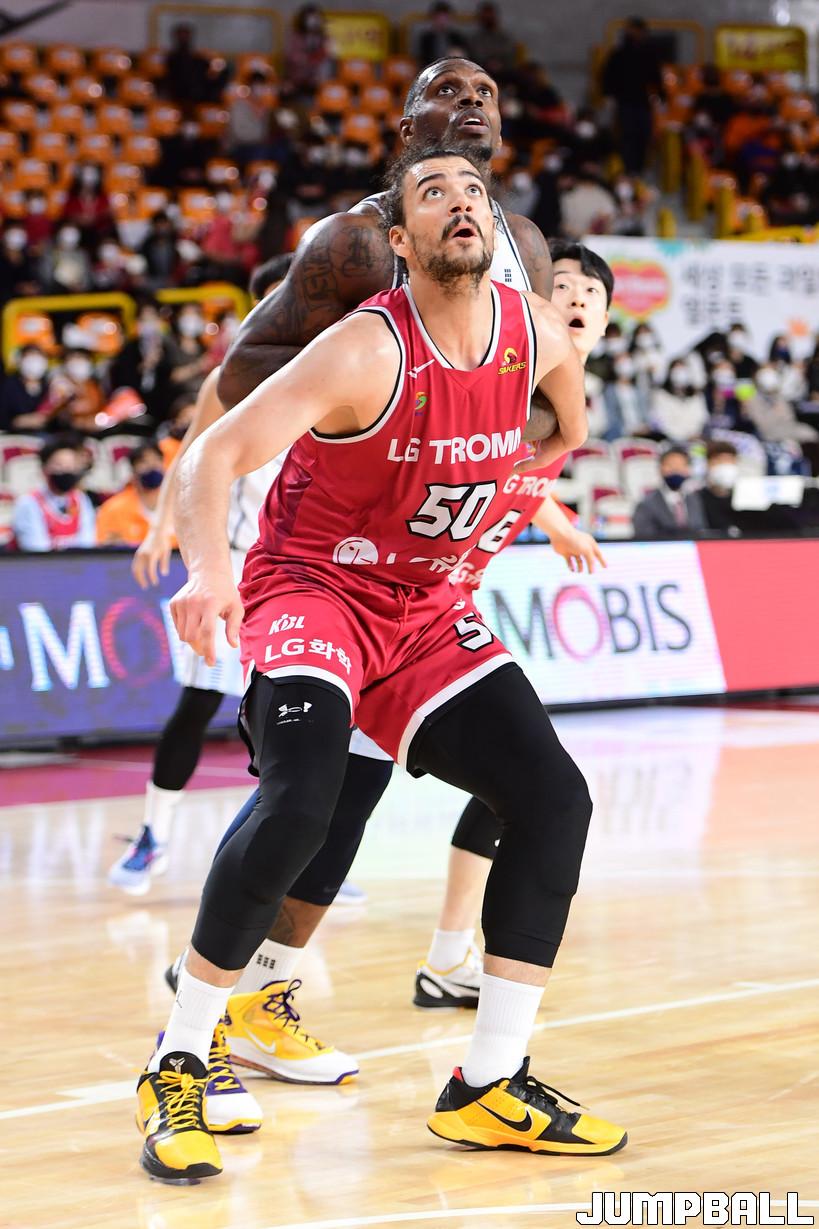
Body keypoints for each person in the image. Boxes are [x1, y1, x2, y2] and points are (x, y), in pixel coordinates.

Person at [135, 145, 626, 1183]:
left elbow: (565, 428)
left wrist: (512, 483)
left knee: (555, 798)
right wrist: (210, 571)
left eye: (474, 189)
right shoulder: (363, 346)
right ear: (400, 239)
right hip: (315, 587)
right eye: (432, 191)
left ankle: (488, 1081)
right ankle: (178, 1057)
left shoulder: (535, 330)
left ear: (492, 227)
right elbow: (214, 452)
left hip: (428, 606)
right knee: (304, 802)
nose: (461, 201)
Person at [12, 433, 96, 551]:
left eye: (71, 466)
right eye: (59, 465)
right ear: (44, 469)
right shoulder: (28, 503)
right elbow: (36, 549)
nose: (66, 471)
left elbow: (87, 544)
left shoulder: (81, 499)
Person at [601, 16, 661, 175]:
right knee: (628, 134)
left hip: (643, 101)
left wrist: (662, 96)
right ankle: (628, 169)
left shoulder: (649, 53)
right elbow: (608, 75)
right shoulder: (619, 53)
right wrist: (608, 95)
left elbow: (656, 76)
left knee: (643, 134)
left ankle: (639, 169)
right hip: (625, 101)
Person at [95, 442, 171, 547]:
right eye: (144, 461)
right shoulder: (113, 509)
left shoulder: (178, 507)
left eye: (157, 460)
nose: (152, 466)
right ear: (133, 470)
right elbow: (103, 550)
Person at [632, 444, 706, 538]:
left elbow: (701, 531)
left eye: (681, 465)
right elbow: (643, 537)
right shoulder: (646, 504)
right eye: (671, 465)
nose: (676, 469)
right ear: (660, 468)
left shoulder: (695, 500)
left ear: (688, 469)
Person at [651, 359, 708, 442]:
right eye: (676, 370)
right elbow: (662, 422)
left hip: (695, 439)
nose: (680, 374)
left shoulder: (697, 396)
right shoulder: (660, 395)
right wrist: (681, 437)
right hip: (670, 440)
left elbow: (702, 418)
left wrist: (694, 434)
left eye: (683, 370)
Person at [0, 344, 51, 432]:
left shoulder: (49, 385)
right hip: (14, 436)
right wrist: (18, 422)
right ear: (20, 361)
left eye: (38, 357)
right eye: (30, 358)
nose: (34, 363)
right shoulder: (8, 385)